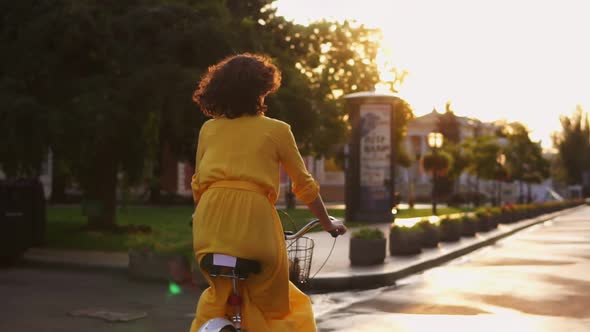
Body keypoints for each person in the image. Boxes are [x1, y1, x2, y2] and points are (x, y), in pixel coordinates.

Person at [189, 53, 347, 332]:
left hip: (208, 225)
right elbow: (304, 185)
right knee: (278, 303)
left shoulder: (208, 129)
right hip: (255, 224)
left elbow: (198, 183)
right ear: (261, 91)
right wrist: (327, 223)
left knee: (219, 293)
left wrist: (201, 216)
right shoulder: (277, 130)